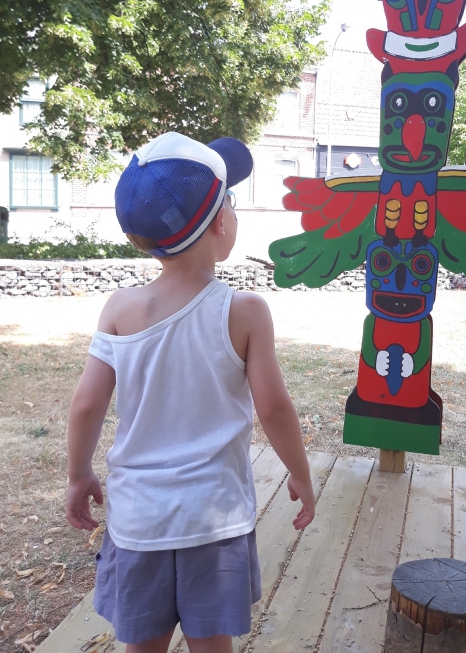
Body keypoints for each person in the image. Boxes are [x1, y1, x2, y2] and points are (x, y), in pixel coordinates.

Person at [65, 132, 315, 653]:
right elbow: (273, 407)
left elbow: (87, 405)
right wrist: (300, 472)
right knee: (211, 645)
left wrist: (79, 474)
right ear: (222, 223)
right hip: (214, 519)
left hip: (138, 521)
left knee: (143, 646)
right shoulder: (244, 311)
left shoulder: (119, 309)